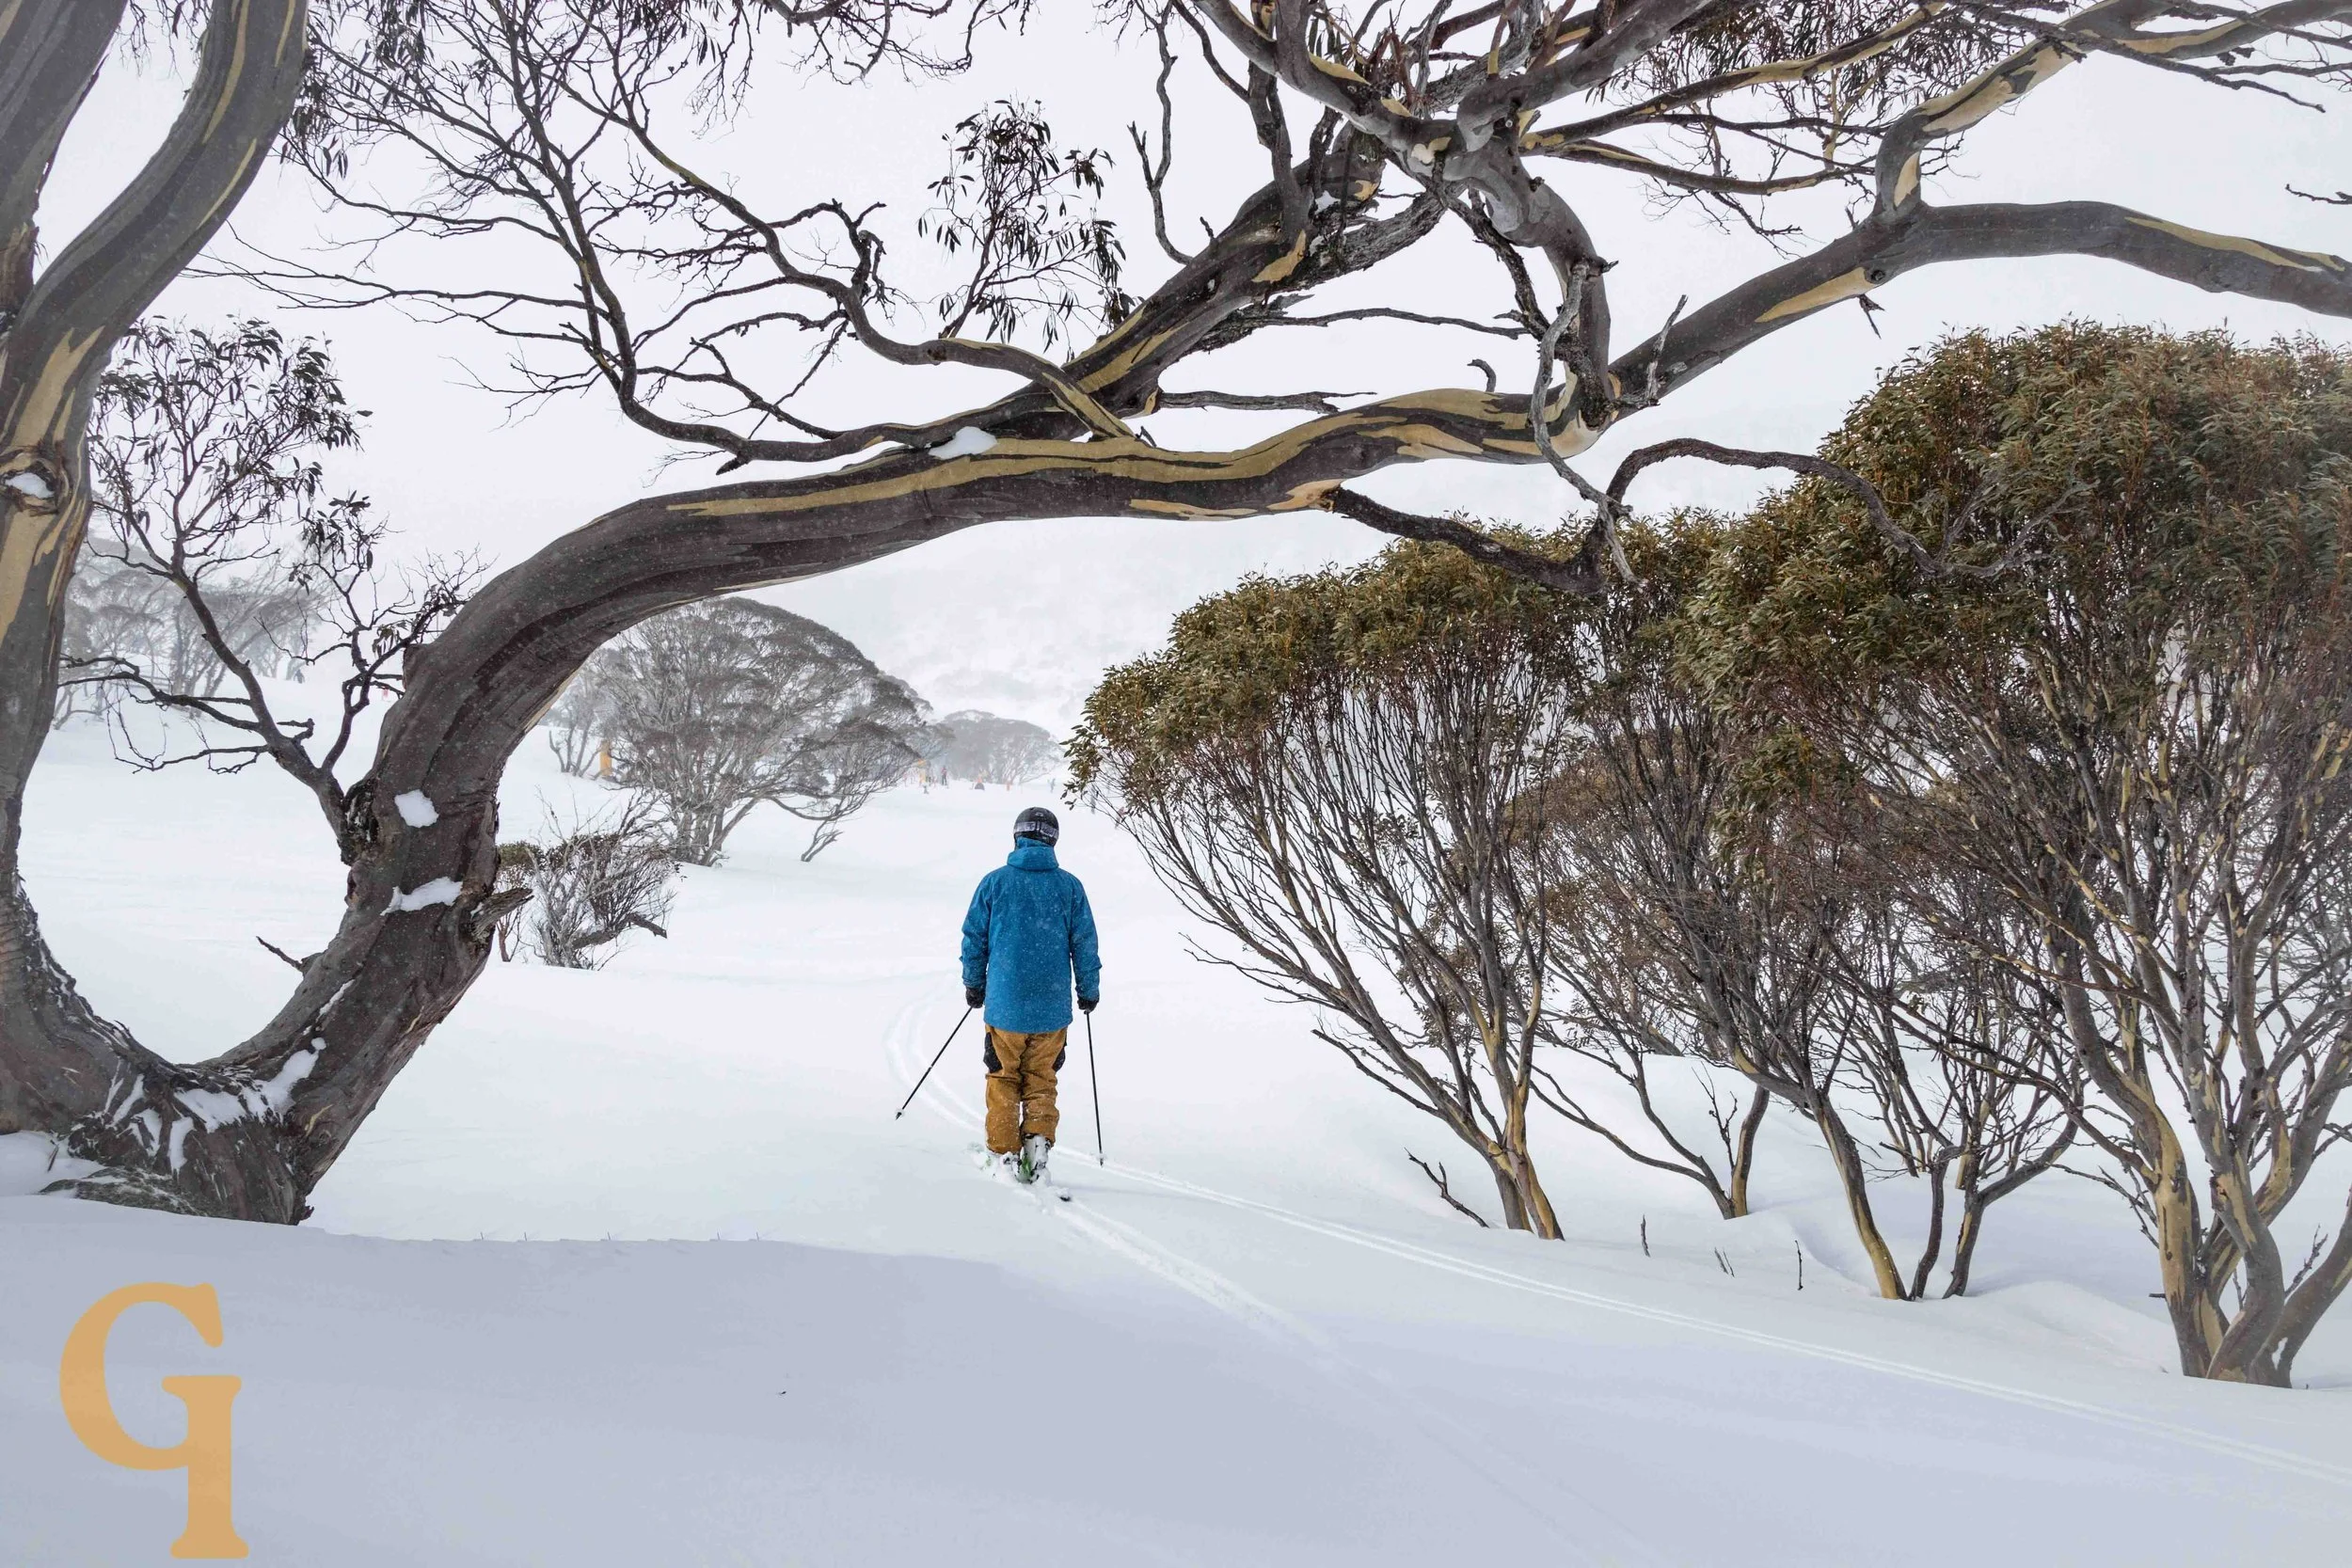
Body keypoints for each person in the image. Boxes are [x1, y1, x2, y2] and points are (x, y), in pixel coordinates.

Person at [960, 805, 1100, 1184]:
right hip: (1052, 1009)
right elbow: (1084, 943)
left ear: (1017, 837)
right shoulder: (1069, 886)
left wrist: (974, 984)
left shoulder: (995, 883)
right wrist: (1088, 990)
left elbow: (975, 938)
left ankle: (1004, 1153)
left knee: (1003, 1076)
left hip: (1005, 1006)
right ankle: (1037, 1144)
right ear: (1053, 840)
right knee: (1041, 1079)